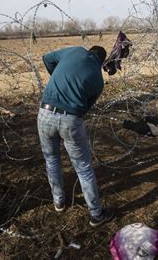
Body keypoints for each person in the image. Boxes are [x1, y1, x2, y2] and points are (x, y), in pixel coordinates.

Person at [37, 45, 114, 227]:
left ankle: (59, 202)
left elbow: (47, 58)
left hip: (45, 112)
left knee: (52, 160)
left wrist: (57, 79)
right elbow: (85, 108)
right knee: (83, 167)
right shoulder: (98, 80)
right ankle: (96, 214)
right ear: (101, 62)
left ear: (89, 50)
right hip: (71, 119)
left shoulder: (75, 51)